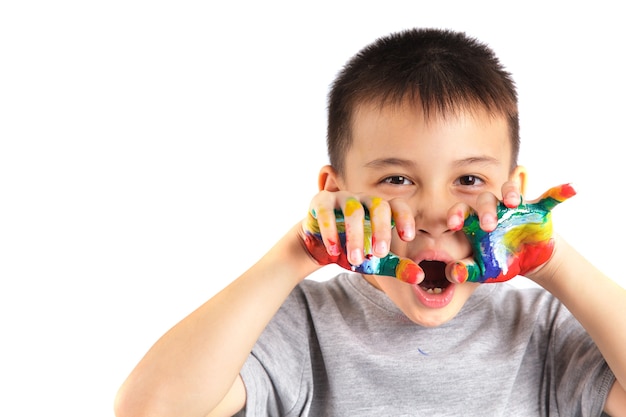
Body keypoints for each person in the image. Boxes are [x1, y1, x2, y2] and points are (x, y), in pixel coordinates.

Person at [114, 28, 626, 416]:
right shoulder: (302, 324)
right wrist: (294, 254)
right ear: (335, 192)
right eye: (398, 180)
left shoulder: (544, 324)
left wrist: (556, 264)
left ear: (512, 190)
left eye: (469, 180)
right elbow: (149, 408)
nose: (431, 216)